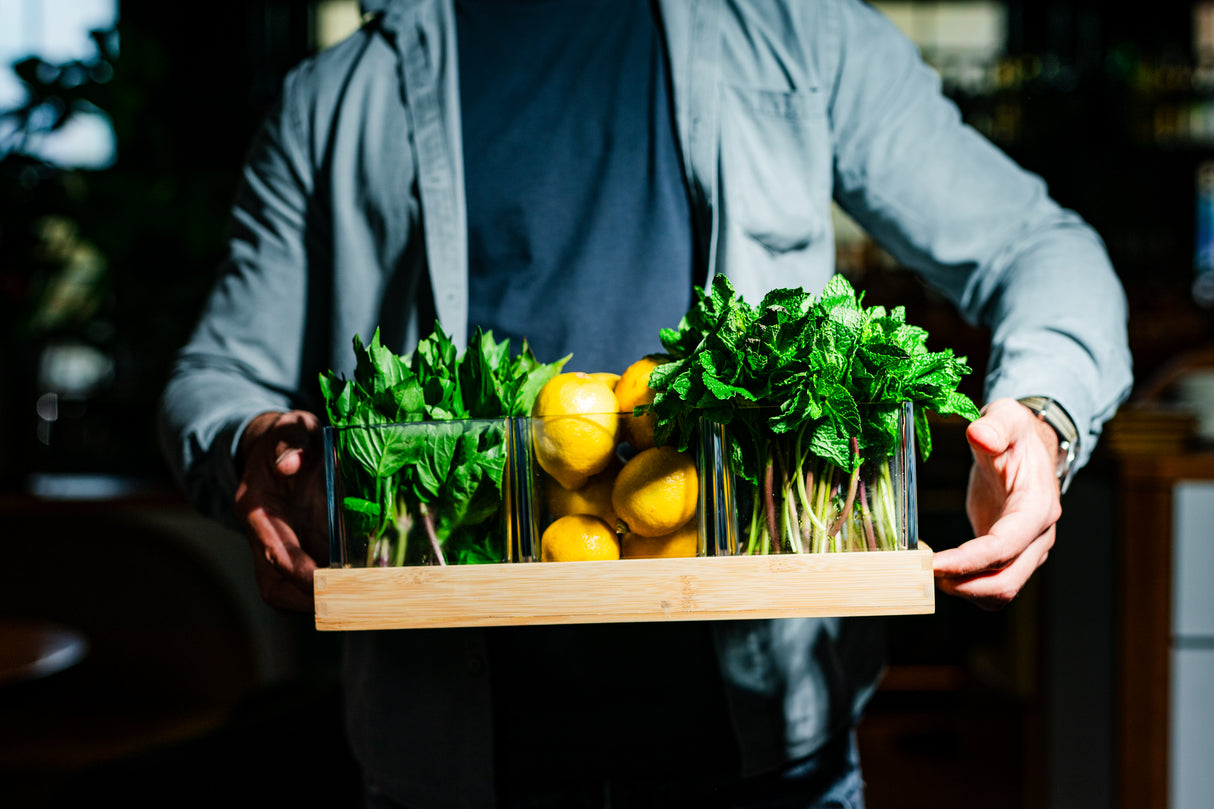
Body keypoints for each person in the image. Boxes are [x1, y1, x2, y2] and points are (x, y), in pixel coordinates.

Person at [157, 1, 1133, 807]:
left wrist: (1040, 417)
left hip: (770, 764)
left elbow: (1036, 249)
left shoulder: (796, 33)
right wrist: (250, 444)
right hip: (447, 767)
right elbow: (214, 373)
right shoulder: (339, 95)